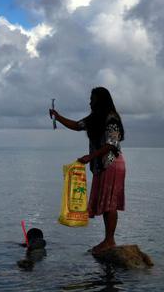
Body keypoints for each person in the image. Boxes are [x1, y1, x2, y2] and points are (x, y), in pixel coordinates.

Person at [49, 87, 126, 254]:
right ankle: (108, 240)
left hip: (112, 163)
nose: (90, 102)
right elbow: (77, 125)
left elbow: (112, 144)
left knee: (110, 203)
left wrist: (90, 157)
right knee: (107, 204)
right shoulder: (95, 118)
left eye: (93, 99)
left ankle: (110, 240)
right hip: (102, 165)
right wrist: (57, 116)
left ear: (100, 101)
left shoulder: (111, 119)